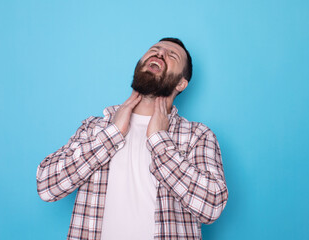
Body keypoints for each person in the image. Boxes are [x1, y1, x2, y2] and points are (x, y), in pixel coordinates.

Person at [36, 37, 228, 240]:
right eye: (155, 50)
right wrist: (112, 134)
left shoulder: (197, 136)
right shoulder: (95, 128)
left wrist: (159, 141)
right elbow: (46, 186)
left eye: (172, 55)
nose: (159, 54)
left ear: (181, 84)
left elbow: (211, 206)